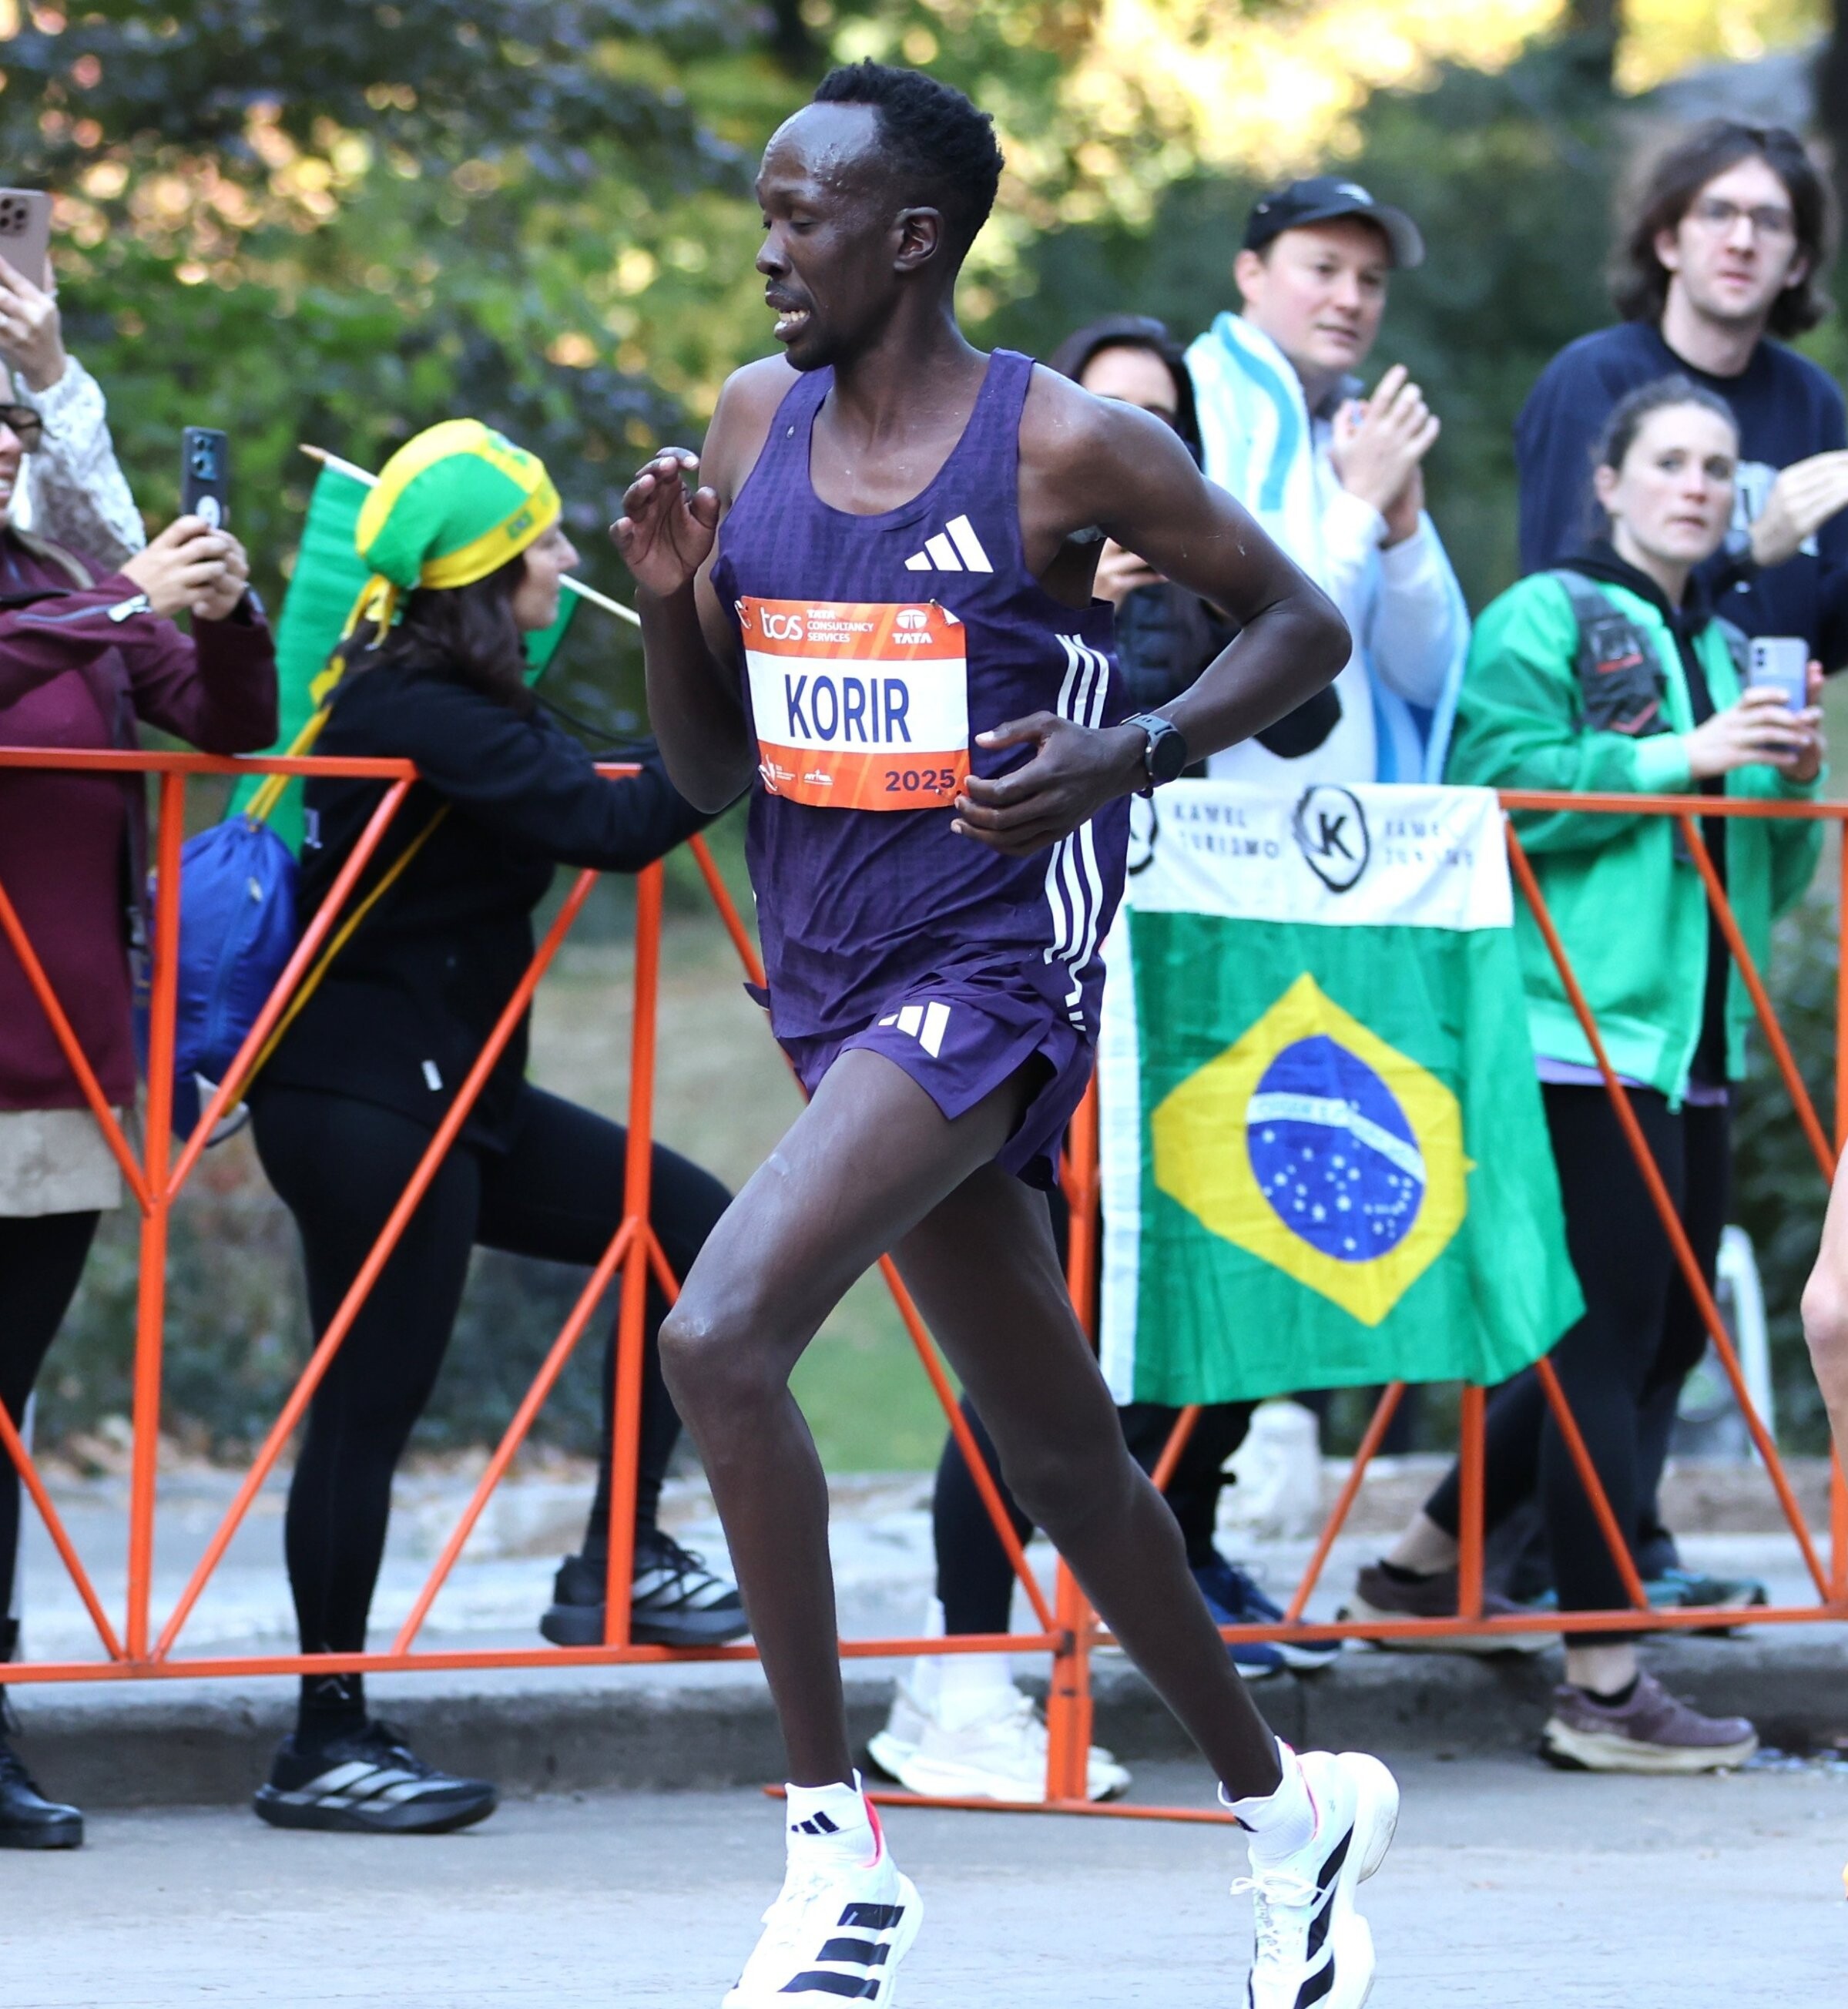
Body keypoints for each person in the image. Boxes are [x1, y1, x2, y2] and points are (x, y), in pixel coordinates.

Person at [614, 61, 1396, 2008]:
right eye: (765, 211)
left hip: (987, 964)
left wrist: (1130, 748)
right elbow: (709, 770)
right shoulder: (751, 419)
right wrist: (670, 609)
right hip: (824, 971)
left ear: (910, 239)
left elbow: (1299, 625)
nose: (766, 249)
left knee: (717, 1335)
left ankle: (832, 1856)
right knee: (1057, 1451)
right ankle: (1287, 1806)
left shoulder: (1060, 442)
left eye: (800, 216)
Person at [247, 420, 746, 1838]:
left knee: (682, 1224)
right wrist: (762, 736)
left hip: (445, 1096)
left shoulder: (461, 697)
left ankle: (616, 1560)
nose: (567, 555)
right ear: (486, 567)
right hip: (364, 1105)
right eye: (543, 537)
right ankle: (322, 1739)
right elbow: (621, 825)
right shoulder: (417, 707)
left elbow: (605, 776)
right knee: (367, 1412)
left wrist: (721, 716)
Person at [871, 316, 1331, 1812]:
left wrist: (1175, 621)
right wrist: (1084, 605)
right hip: (1011, 996)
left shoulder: (1184, 575)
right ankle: (957, 1671)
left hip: (1174, 1020)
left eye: (1160, 424)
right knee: (1019, 1341)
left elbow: (1307, 702)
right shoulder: (989, 565)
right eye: (1106, 411)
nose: (1126, 445)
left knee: (1110, 1355)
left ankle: (1164, 1680)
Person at [1347, 377, 1823, 1770]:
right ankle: (1601, 1682)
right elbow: (1497, 786)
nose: (1694, 485)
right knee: (1606, 1343)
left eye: (1715, 468)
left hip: (1690, 1036)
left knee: (1657, 1338)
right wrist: (1685, 751)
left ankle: (1416, 1572)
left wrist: (1779, 775)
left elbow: (1764, 858)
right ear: (1604, 482)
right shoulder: (1543, 613)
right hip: (1566, 1027)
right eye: (1666, 461)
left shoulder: (1726, 641)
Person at [0, 324, 276, 1845]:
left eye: (9, 415)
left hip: (64, 1072)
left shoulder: (53, 578)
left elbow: (232, 721)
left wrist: (221, 613)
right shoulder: (79, 596)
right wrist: (123, 594)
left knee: (4, 1404)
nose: (4, 437)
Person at [1519, 121, 1848, 665]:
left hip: (1777, 714)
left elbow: (1831, 638)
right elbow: (1566, 603)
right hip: (1639, 716)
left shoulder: (1812, 401)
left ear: (1797, 264)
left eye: (1769, 222)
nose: (1741, 242)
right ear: (1667, 242)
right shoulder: (1593, 378)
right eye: (1717, 213)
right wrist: (1748, 551)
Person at [1186, 175, 1469, 787]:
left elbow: (1423, 676)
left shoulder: (1357, 435)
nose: (1350, 300)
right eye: (1323, 269)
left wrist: (1401, 534)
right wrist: (1359, 507)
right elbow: (1264, 636)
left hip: (1350, 821)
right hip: (1208, 817)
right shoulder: (1184, 405)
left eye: (1371, 281)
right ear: (1250, 274)